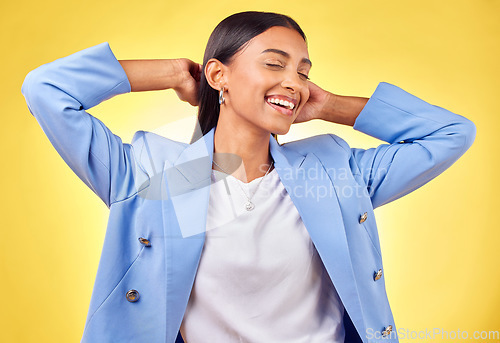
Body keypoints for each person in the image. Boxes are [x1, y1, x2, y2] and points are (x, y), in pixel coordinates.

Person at [21, 10, 475, 343]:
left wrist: (331, 105)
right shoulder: (160, 176)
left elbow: (452, 133)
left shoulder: (333, 173)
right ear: (219, 74)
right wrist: (173, 73)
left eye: (303, 72)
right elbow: (46, 90)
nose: (294, 83)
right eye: (274, 64)